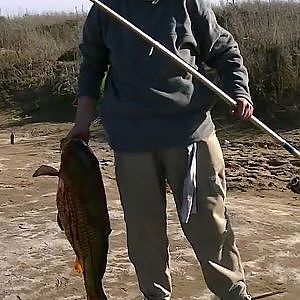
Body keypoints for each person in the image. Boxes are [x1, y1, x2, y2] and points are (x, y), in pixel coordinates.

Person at [68, 0, 254, 299]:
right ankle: (155, 295)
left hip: (190, 132)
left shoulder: (188, 3)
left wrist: (238, 90)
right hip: (131, 138)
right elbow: (92, 65)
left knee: (209, 222)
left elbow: (223, 48)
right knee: (144, 230)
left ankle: (233, 293)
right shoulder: (105, 9)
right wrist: (82, 120)